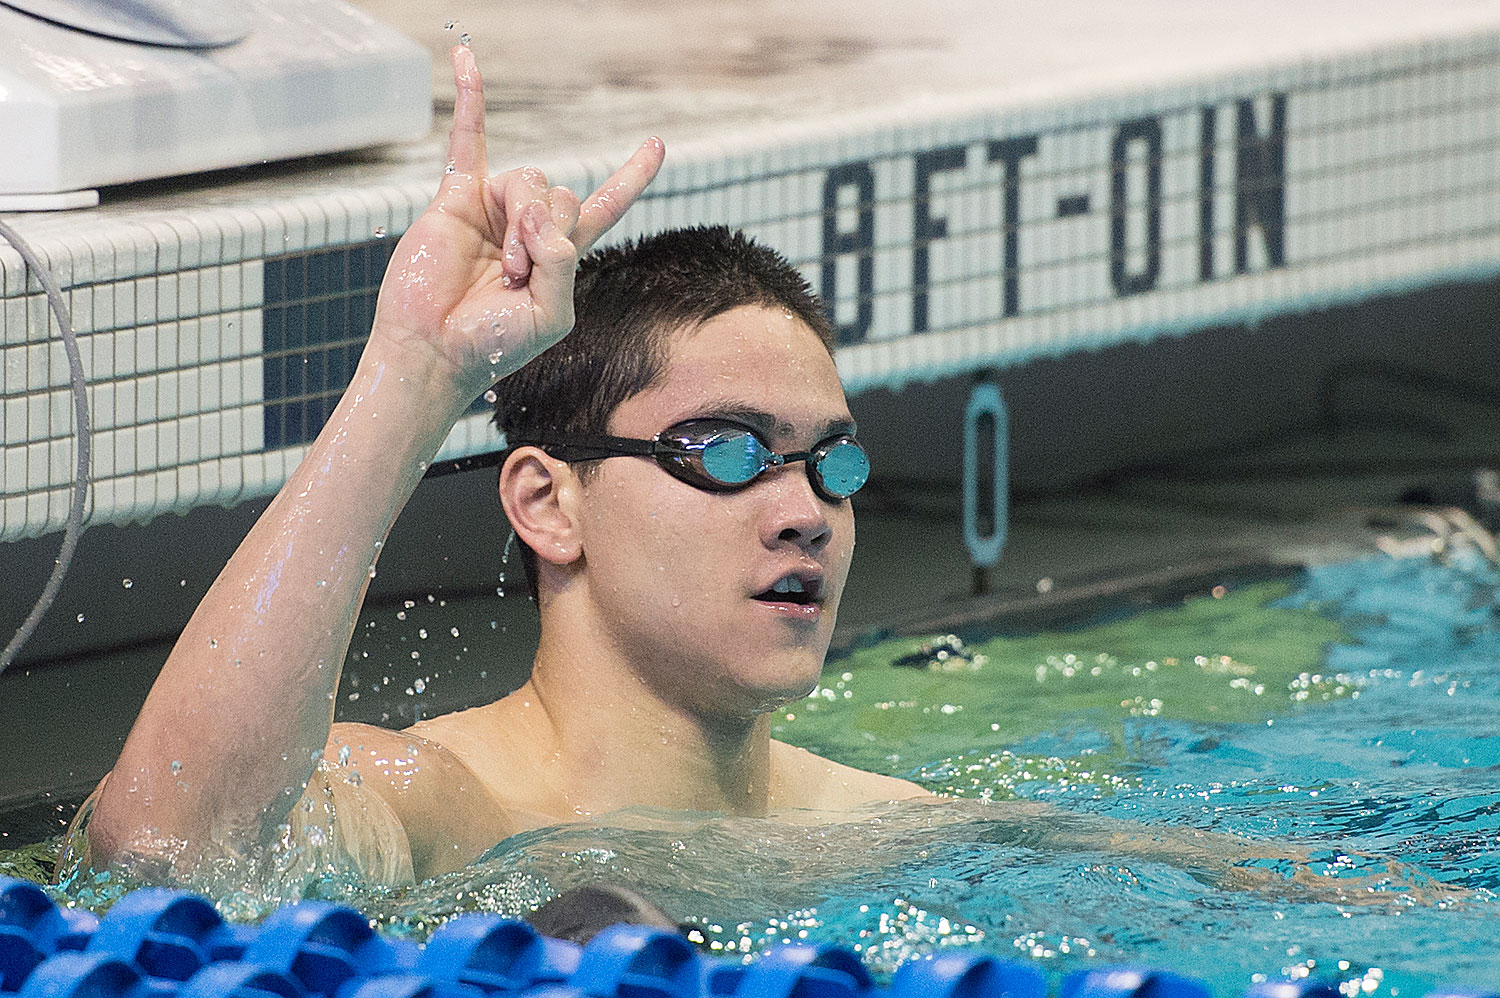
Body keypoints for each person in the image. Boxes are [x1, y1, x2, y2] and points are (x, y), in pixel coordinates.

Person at [71, 47, 923, 888]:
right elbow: (167, 852)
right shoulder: (442, 811)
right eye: (727, 451)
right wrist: (415, 374)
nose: (803, 511)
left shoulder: (893, 832)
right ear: (548, 503)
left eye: (828, 462)